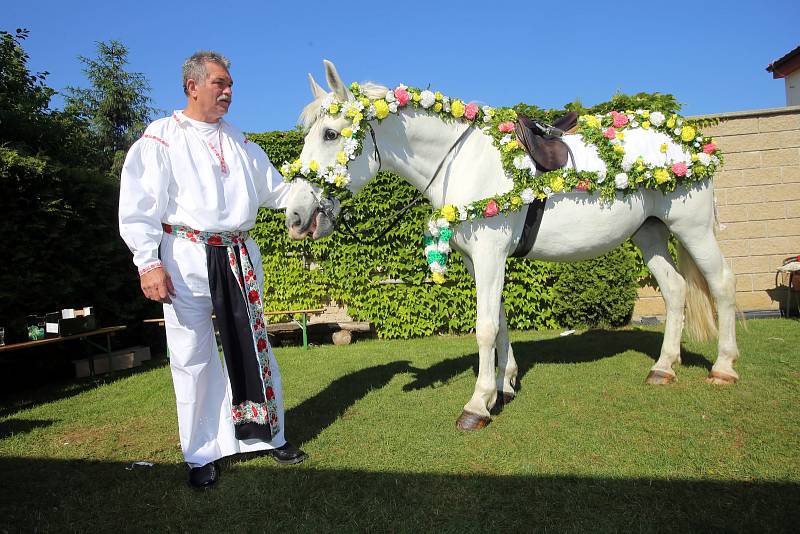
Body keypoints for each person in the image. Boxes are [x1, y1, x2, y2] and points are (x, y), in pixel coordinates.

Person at [119, 51, 306, 489]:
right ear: (193, 86)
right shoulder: (160, 138)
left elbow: (277, 191)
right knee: (192, 357)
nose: (228, 92)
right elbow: (138, 207)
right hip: (184, 256)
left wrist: (319, 184)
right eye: (220, 83)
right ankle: (202, 452)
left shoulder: (240, 141)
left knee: (253, 349)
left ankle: (265, 435)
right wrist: (148, 262)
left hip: (238, 255)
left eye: (230, 84)